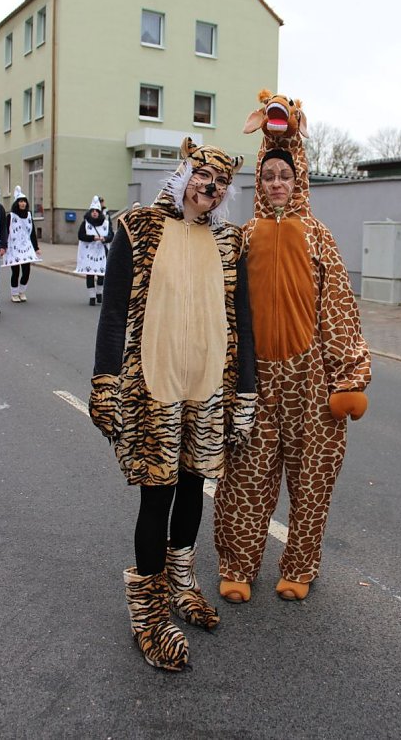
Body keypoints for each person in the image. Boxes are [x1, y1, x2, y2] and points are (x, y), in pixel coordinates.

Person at [89, 137, 256, 671]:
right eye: (205, 177)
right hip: (151, 387)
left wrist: (246, 394)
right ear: (186, 174)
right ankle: (149, 612)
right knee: (156, 497)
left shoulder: (230, 243)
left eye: (222, 183)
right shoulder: (137, 227)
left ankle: (182, 582)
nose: (212, 188)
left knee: (192, 488)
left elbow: (243, 325)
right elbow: (114, 313)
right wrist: (104, 382)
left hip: (207, 387)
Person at [214, 90, 371, 604]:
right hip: (256, 379)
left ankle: (300, 566)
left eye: (285, 175)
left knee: (312, 480)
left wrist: (348, 376)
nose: (277, 183)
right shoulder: (243, 237)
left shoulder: (317, 236)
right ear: (259, 180)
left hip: (310, 380)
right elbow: (225, 311)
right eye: (269, 176)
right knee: (245, 480)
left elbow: (340, 308)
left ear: (297, 178)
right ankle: (238, 566)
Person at [2, 186, 41, 303]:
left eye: (24, 201)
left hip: (26, 247)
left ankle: (22, 291)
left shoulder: (29, 216)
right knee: (16, 271)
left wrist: (36, 248)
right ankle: (14, 293)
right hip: (14, 247)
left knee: (26, 271)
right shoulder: (11, 216)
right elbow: (6, 231)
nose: (23, 204)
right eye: (20, 201)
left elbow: (32, 232)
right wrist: (4, 246)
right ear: (17, 203)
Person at [74, 195, 114, 305]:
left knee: (101, 273)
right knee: (90, 273)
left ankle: (99, 293)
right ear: (90, 212)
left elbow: (111, 235)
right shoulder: (86, 223)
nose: (95, 213)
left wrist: (105, 239)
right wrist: (93, 238)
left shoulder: (105, 223)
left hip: (102, 252)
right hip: (89, 253)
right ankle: (92, 296)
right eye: (93, 211)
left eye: (97, 211)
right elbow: (80, 236)